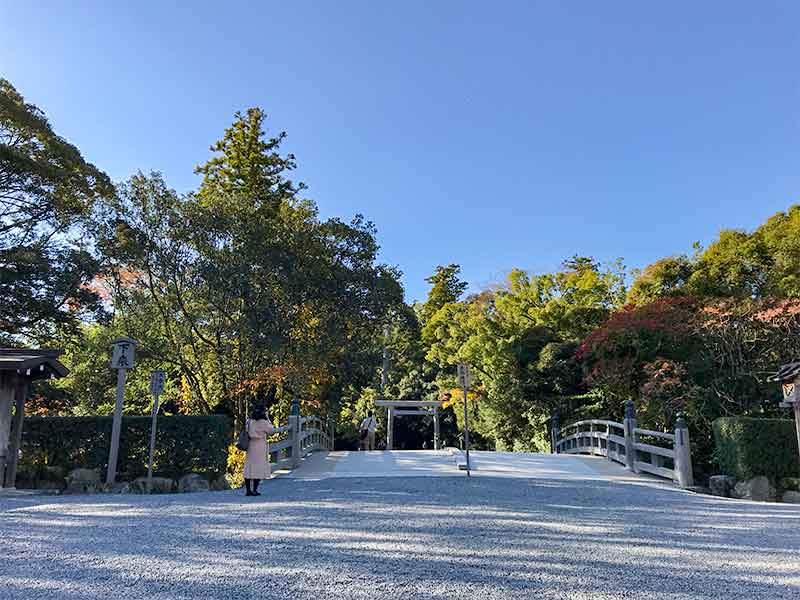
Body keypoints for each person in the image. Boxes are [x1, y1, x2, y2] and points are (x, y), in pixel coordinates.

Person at [243, 404, 274, 496]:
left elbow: (246, 430)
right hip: (260, 445)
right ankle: (255, 490)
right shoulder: (264, 422)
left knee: (249, 467)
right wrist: (268, 418)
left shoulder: (249, 421)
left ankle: (248, 490)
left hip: (250, 445)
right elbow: (271, 431)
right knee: (258, 467)